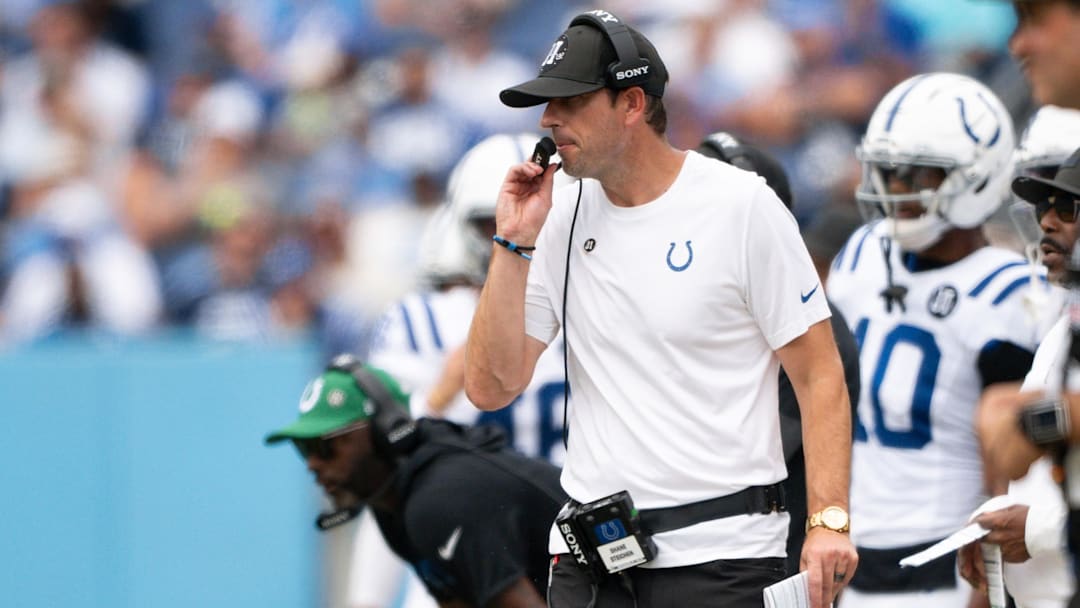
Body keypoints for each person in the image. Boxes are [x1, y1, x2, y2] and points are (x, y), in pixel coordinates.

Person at [464, 10, 857, 608]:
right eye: (547, 105)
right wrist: (513, 242)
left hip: (725, 556)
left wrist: (828, 522)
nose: (548, 119)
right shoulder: (559, 214)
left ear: (632, 104)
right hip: (591, 560)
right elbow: (491, 387)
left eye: (570, 101)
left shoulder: (740, 206)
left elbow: (820, 373)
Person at [826, 71, 1043, 608]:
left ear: (978, 176)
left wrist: (990, 583)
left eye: (919, 174)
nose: (898, 190)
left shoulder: (1010, 292)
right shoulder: (861, 254)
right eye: (890, 172)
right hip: (848, 557)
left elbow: (1015, 459)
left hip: (947, 563)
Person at [345, 133, 573, 608]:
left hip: (575, 550)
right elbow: (391, 477)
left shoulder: (591, 306)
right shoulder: (422, 322)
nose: (515, 228)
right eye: (488, 222)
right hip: (463, 552)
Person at [265, 355, 565, 608]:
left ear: (384, 432)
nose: (313, 464)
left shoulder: (438, 500)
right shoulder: (393, 505)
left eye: (324, 446)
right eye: (304, 449)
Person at [695, 131, 862, 577]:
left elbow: (755, 451)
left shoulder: (813, 325)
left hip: (767, 553)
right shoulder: (693, 308)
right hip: (699, 550)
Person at [959, 106, 1080, 608]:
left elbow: (1010, 427)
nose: (1047, 220)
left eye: (1069, 204)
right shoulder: (1064, 321)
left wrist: (1037, 529)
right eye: (1042, 203)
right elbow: (1014, 454)